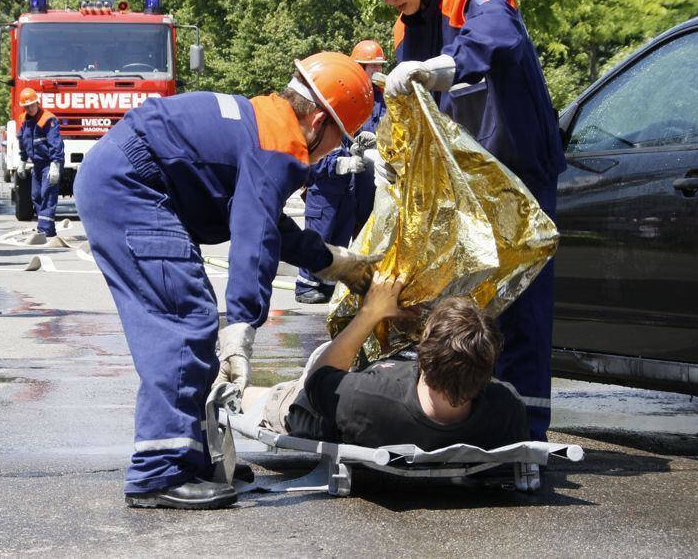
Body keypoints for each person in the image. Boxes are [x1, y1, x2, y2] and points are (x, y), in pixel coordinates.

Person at [75, 52, 382, 510]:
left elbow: (263, 221)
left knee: (187, 314)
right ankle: (158, 472)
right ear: (319, 120)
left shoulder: (265, 122)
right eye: (338, 137)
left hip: (124, 177)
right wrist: (241, 327)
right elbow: (254, 233)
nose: (331, 151)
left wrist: (333, 262)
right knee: (183, 318)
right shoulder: (282, 143)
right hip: (131, 186)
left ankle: (187, 455)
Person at [346, 0, 567, 440]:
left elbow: (499, 41)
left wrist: (440, 67)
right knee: (461, 307)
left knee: (522, 303)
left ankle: (526, 433)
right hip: (468, 185)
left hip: (520, 175)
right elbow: (408, 107)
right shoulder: (408, 26)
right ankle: (468, 419)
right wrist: (385, 154)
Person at [244, 275, 528, 451]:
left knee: (268, 395)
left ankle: (230, 390)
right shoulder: (506, 407)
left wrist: (370, 314)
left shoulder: (367, 398)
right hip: (389, 387)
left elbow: (317, 381)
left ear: (425, 356)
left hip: (313, 409)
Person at [295, 40, 389, 304]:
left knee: (343, 232)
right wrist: (344, 161)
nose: (375, 72)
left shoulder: (381, 98)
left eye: (379, 66)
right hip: (330, 181)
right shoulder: (341, 95)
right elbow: (321, 145)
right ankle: (306, 284)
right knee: (320, 233)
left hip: (356, 181)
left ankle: (327, 283)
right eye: (371, 67)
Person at [15, 88, 64, 242]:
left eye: (32, 105)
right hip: (37, 164)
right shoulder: (24, 120)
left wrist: (55, 165)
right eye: (27, 106)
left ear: (37, 102)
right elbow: (22, 142)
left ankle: (44, 230)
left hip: (50, 163)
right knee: (36, 195)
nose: (30, 108)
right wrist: (22, 161)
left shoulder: (48, 119)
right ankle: (48, 229)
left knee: (47, 193)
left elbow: (56, 144)